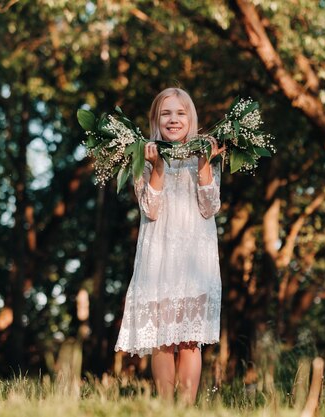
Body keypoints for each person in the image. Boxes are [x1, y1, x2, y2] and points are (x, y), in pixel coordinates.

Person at [114, 87, 224, 404]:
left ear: (191, 119)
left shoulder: (206, 156)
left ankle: (186, 409)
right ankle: (166, 407)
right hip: (158, 256)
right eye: (166, 113)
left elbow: (210, 207)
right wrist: (158, 168)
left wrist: (204, 164)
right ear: (156, 120)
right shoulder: (143, 158)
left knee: (190, 340)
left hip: (195, 257)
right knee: (162, 339)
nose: (173, 119)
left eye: (180, 113)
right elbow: (150, 208)